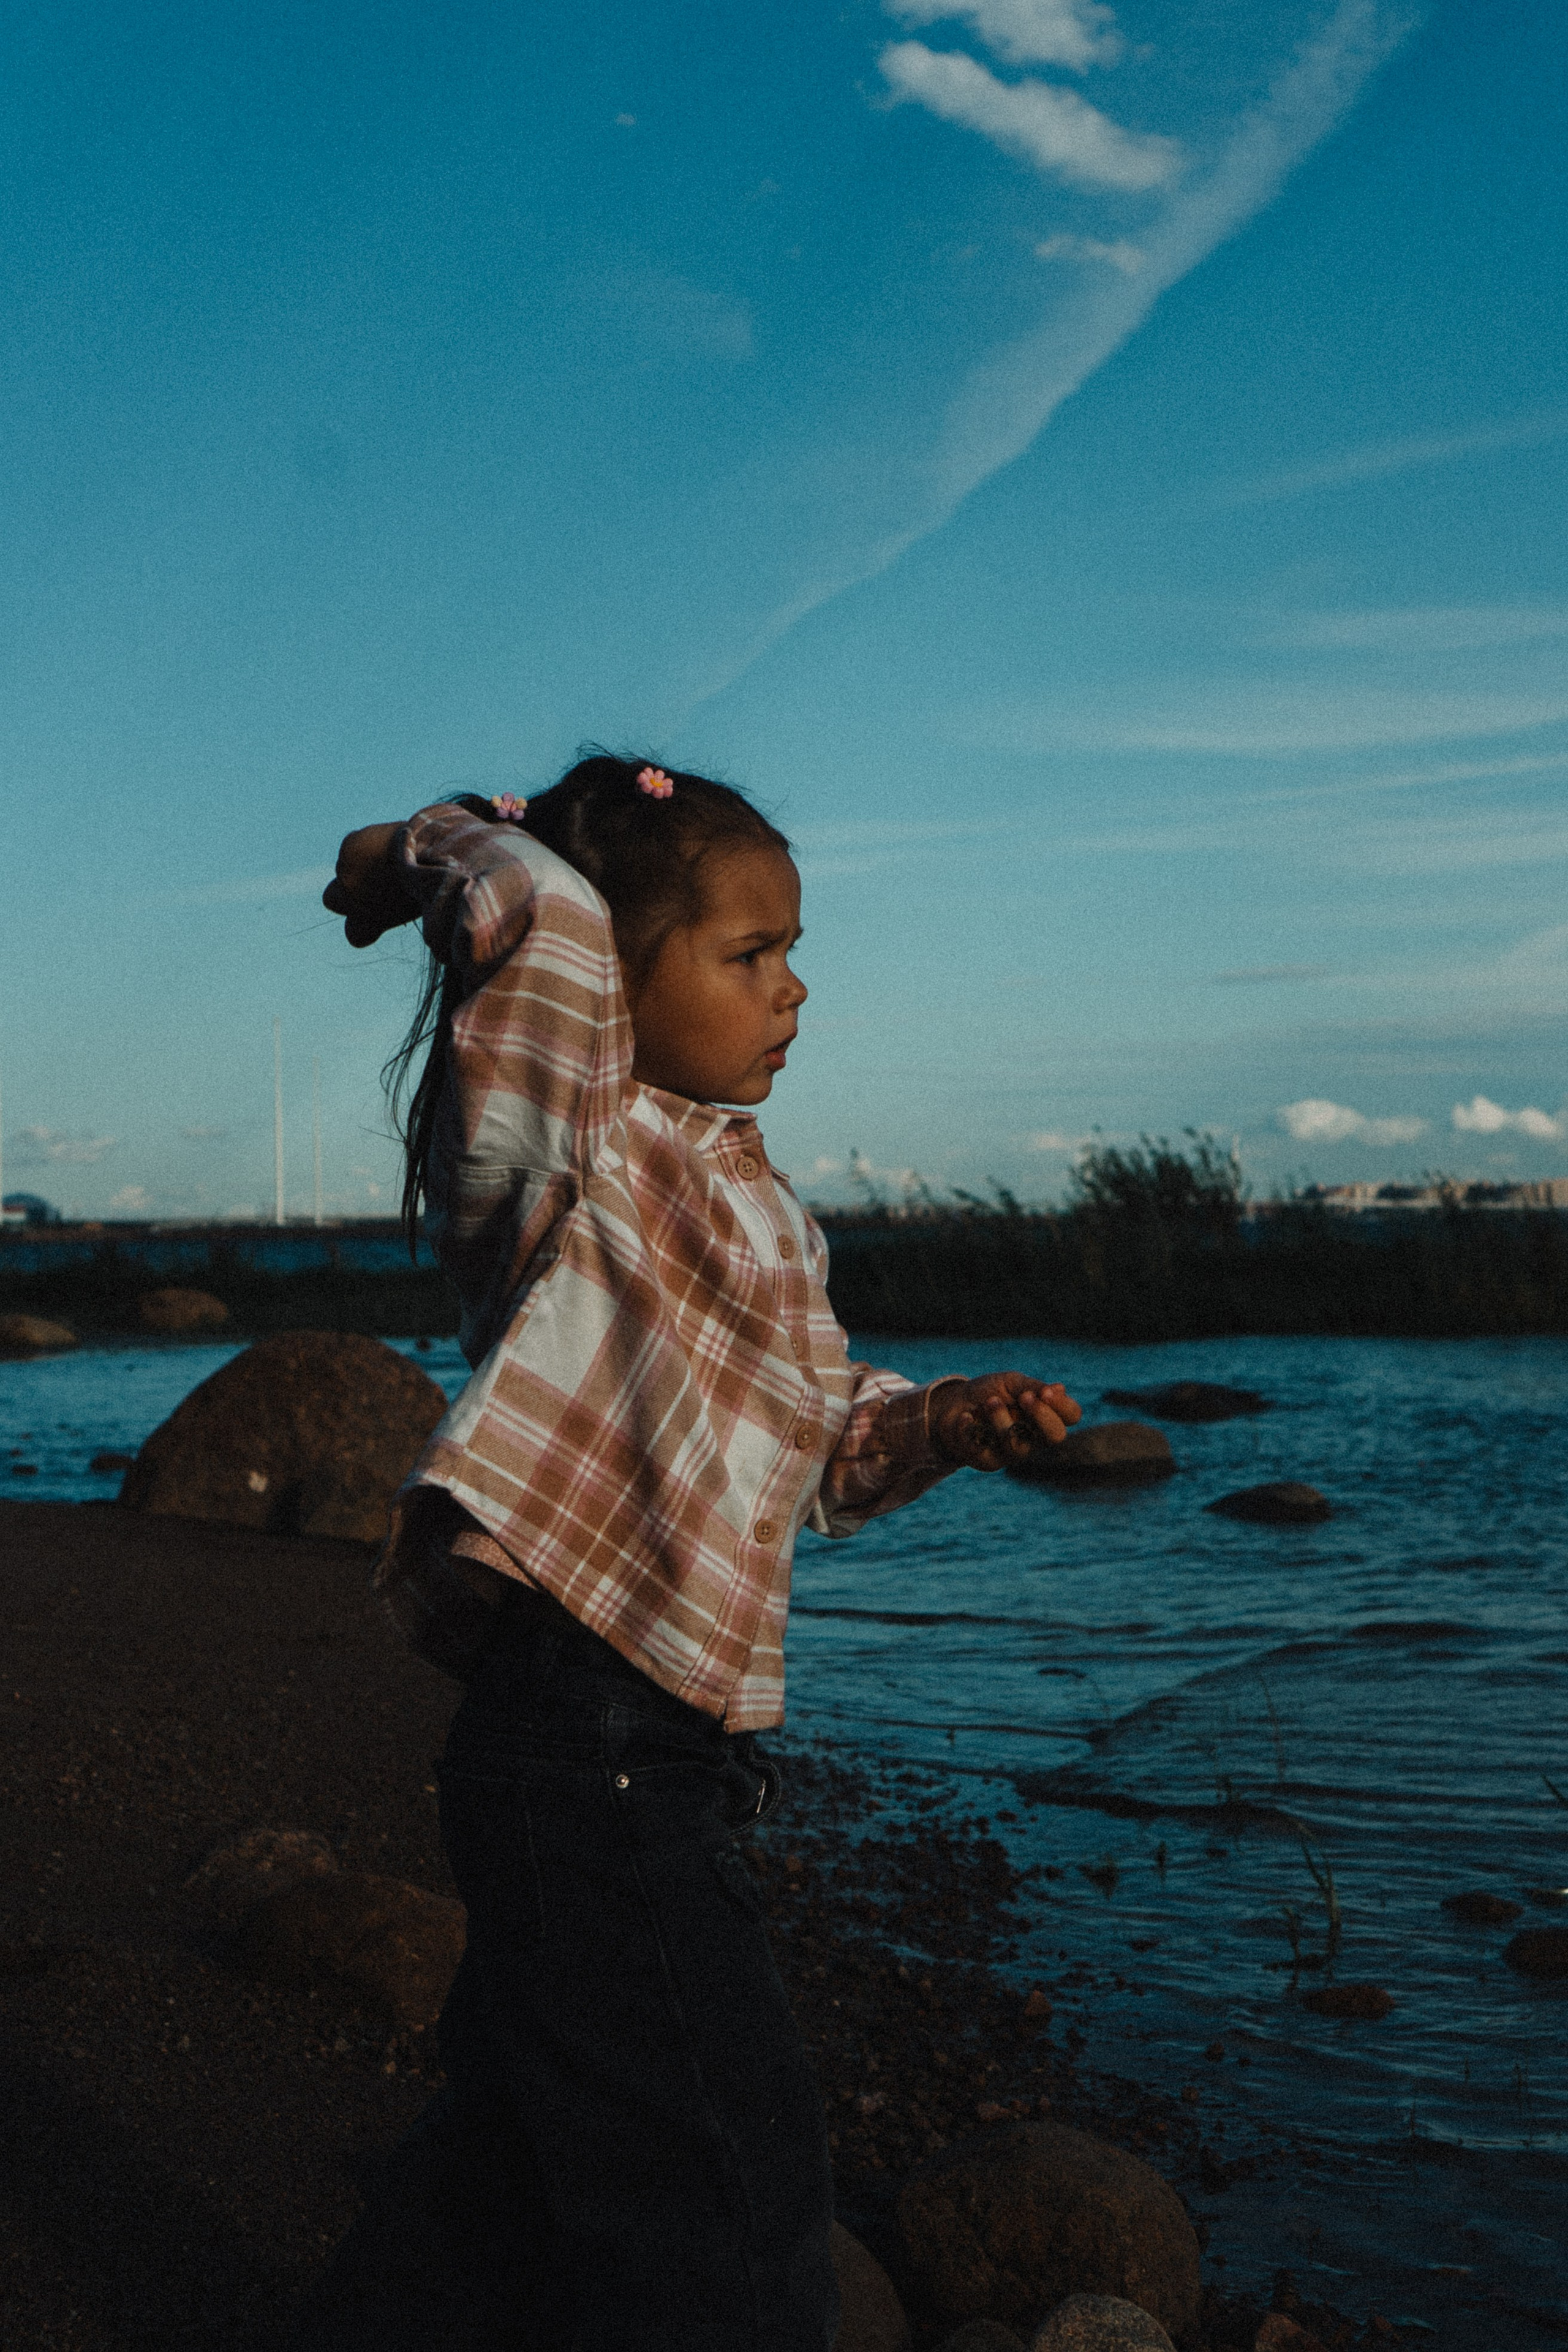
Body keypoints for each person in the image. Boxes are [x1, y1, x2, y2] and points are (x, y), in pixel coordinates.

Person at [300, 753, 1081, 2352]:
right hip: (590, 1745)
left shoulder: (763, 1219)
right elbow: (537, 912)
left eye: (793, 951)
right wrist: (421, 848)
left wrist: (943, 1421)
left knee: (525, 2146)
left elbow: (811, 1460)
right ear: (621, 969)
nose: (795, 991)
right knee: (730, 2175)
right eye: (749, 955)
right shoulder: (563, 1145)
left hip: (647, 1752)